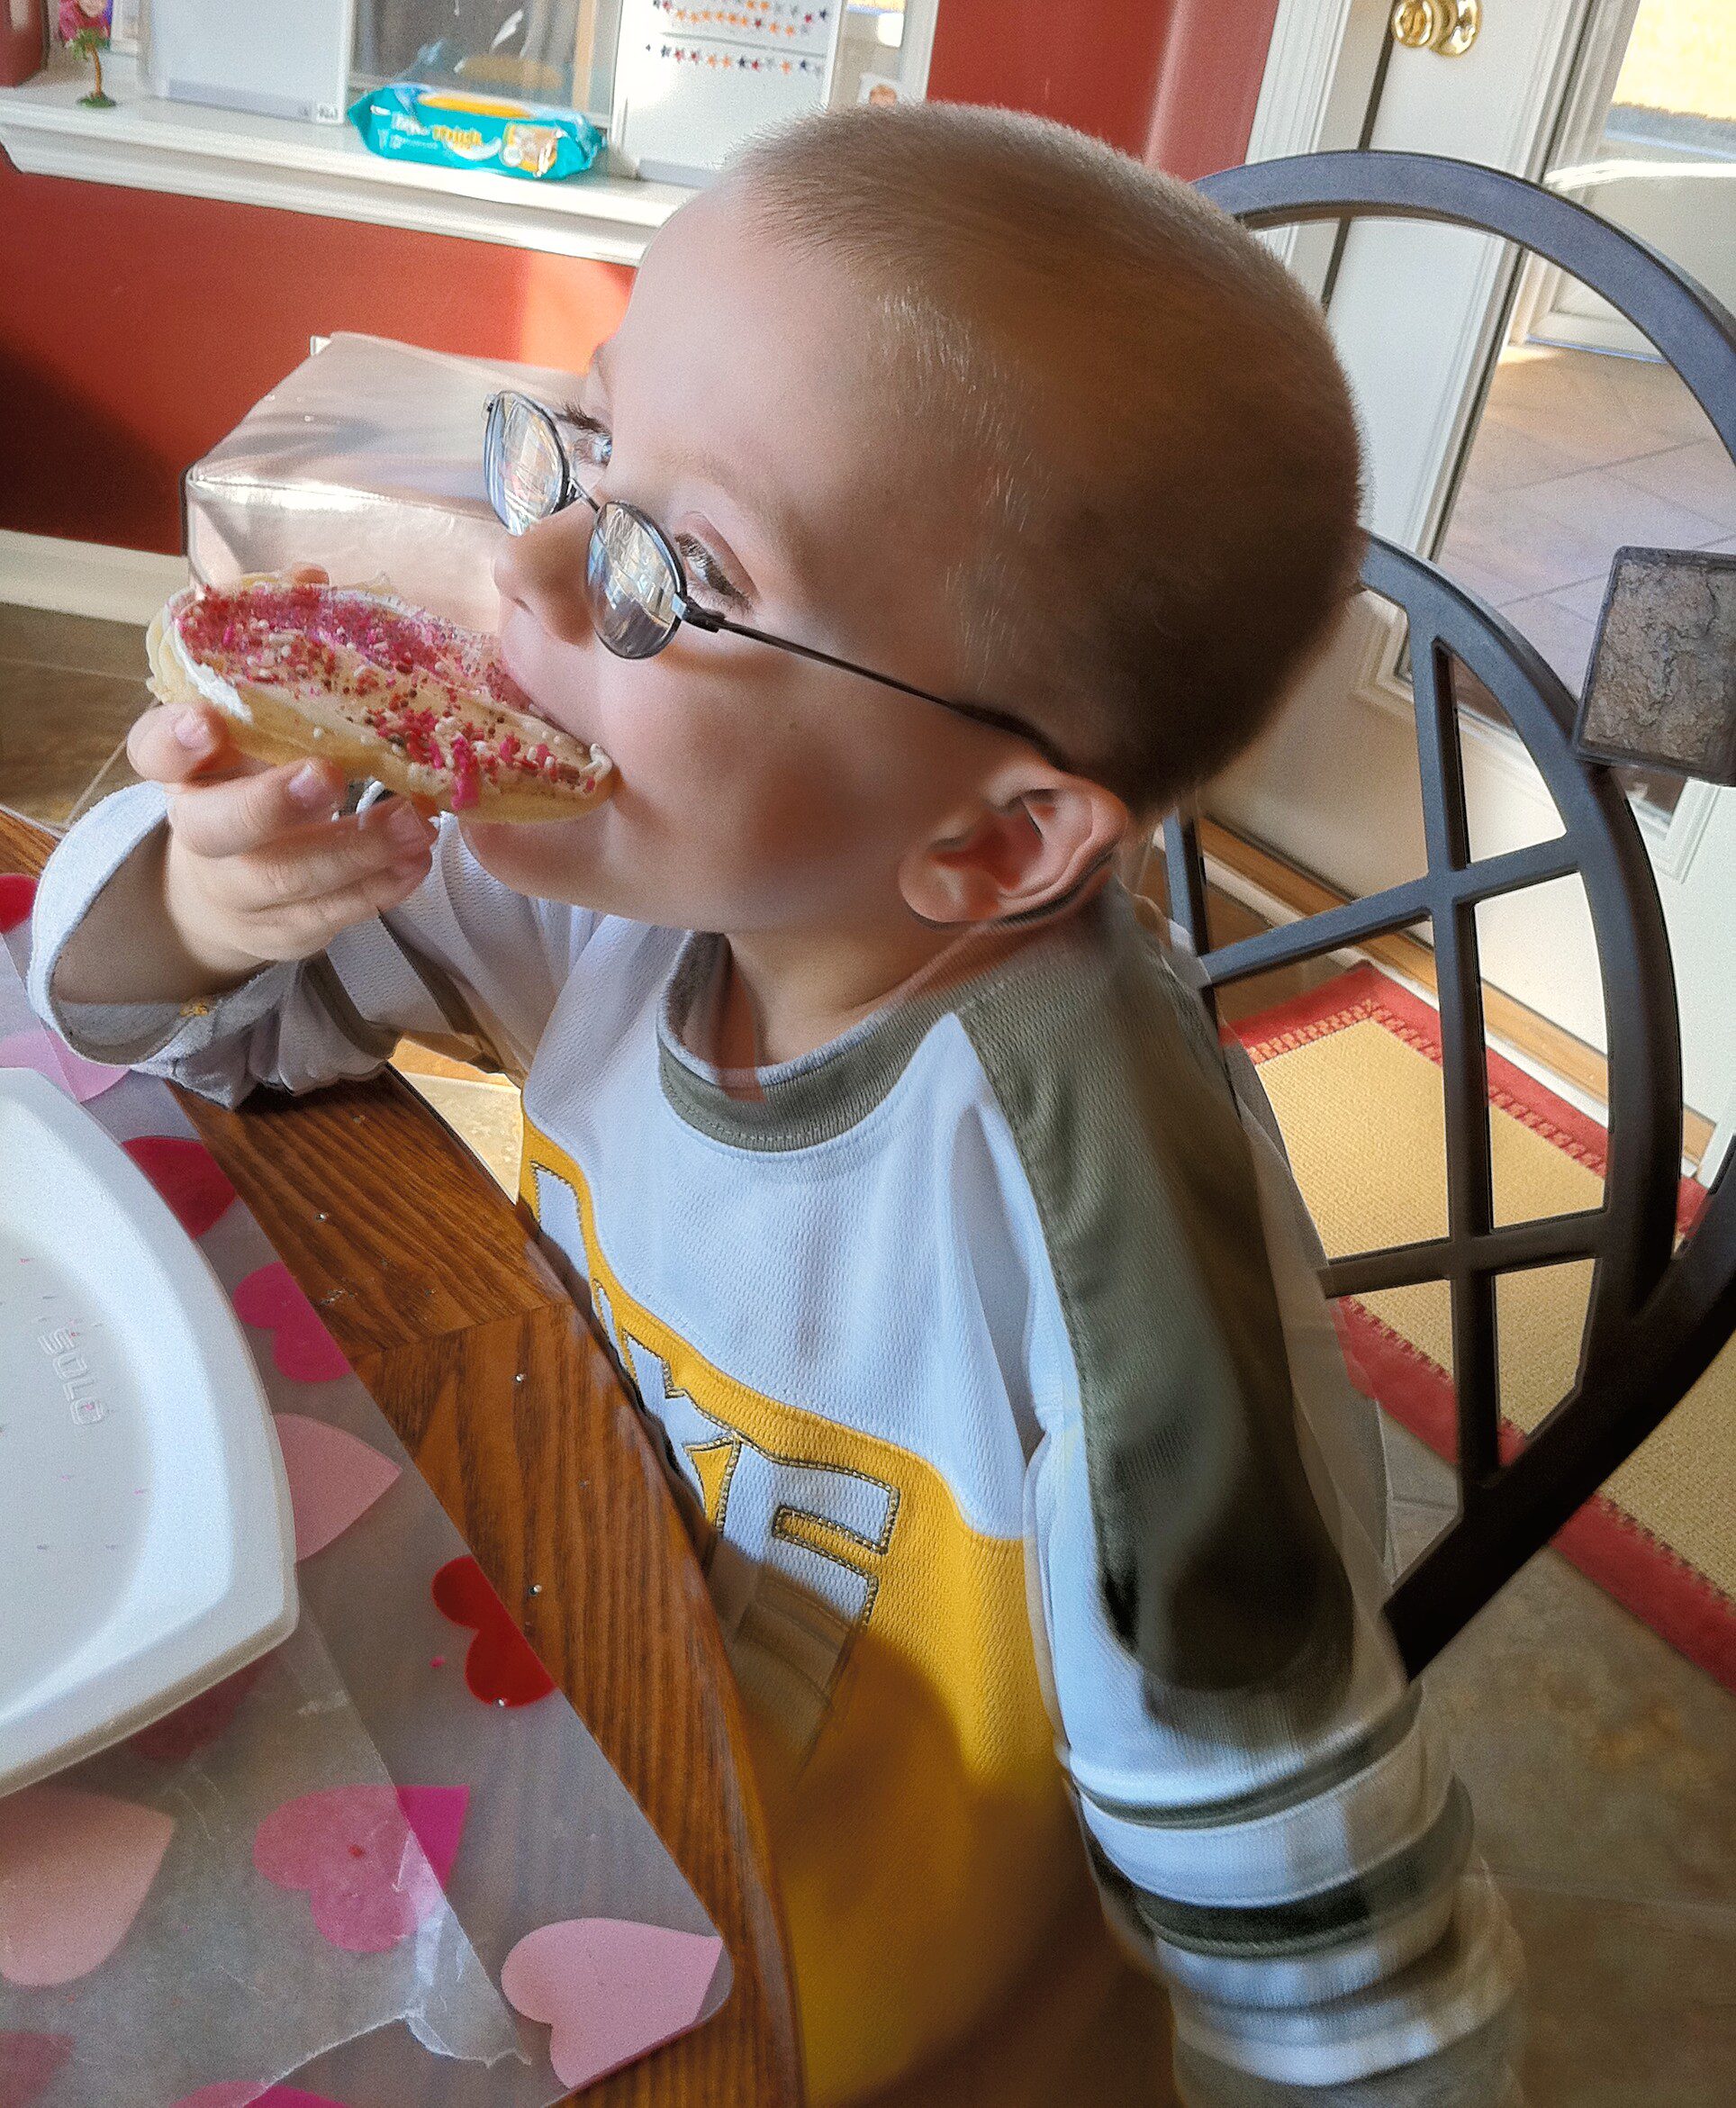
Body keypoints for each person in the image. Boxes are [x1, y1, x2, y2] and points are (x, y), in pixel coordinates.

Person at [30, 102, 1521, 2108]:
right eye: (585, 440)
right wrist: (213, 896)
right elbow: (195, 1032)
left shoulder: (1102, 1238)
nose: (527, 568)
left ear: (992, 844)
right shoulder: (650, 868)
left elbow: (1323, 1934)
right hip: (568, 1726)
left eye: (679, 569)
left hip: (845, 2016)